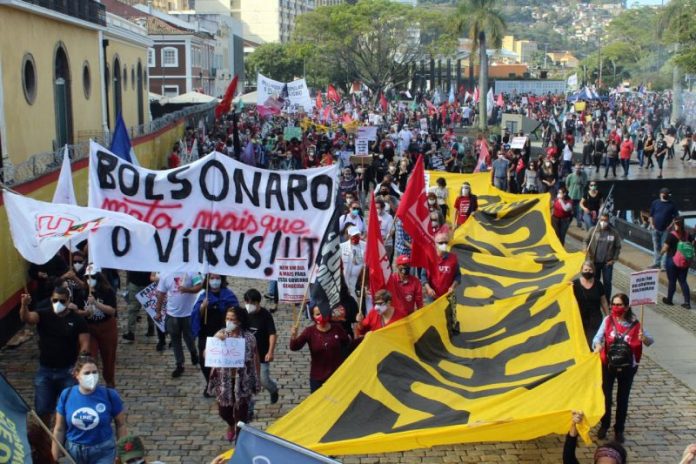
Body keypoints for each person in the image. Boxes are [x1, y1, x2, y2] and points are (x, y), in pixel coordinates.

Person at [20, 286, 90, 425]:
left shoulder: (77, 320)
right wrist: (24, 306)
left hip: (68, 369)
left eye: (62, 301)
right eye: (55, 300)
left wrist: (80, 363)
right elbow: (27, 318)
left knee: (69, 408)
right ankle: (45, 439)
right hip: (45, 370)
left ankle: (63, 434)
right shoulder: (43, 314)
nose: (58, 303)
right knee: (42, 408)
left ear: (69, 300)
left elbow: (85, 344)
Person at [592, 293, 653, 443]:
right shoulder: (607, 320)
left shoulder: (635, 323)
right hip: (608, 365)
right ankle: (604, 425)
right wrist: (598, 345)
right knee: (606, 396)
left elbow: (650, 341)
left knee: (622, 399)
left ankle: (619, 429)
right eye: (613, 304)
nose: (615, 307)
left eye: (619, 305)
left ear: (626, 307)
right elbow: (597, 338)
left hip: (627, 367)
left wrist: (643, 338)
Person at [53, 356, 127, 464]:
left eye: (94, 372)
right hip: (73, 452)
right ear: (77, 375)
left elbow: (121, 424)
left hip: (103, 451)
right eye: (87, 373)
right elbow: (59, 428)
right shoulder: (67, 395)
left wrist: (122, 452)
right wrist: (54, 456)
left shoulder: (110, 395)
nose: (92, 376)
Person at [207, 306, 260, 442]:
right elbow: (207, 354)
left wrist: (257, 379)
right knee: (224, 411)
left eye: (233, 319)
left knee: (241, 414)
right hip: (224, 381)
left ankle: (239, 438)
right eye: (227, 319)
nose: (229, 322)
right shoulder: (220, 334)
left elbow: (255, 358)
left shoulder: (249, 338)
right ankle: (231, 424)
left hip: (243, 382)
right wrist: (216, 341)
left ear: (240, 321)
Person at [191, 274, 239, 396]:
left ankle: (222, 384)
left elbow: (236, 314)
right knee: (204, 360)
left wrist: (229, 330)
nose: (215, 281)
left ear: (221, 280)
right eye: (212, 278)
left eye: (217, 278)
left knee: (222, 360)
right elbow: (196, 315)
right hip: (206, 332)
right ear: (208, 280)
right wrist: (202, 307)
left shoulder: (228, 295)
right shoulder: (203, 296)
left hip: (223, 332)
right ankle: (209, 382)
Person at [290, 305, 350, 393]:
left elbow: (348, 344)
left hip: (337, 377)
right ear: (313, 316)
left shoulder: (337, 328)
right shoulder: (309, 332)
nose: (321, 316)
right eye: (318, 314)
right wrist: (293, 336)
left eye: (323, 312)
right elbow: (294, 347)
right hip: (318, 378)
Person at [154, 272, 203, 378]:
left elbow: (199, 286)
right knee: (175, 340)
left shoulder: (192, 271)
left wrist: (187, 290)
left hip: (189, 313)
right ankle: (179, 364)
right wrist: (158, 312)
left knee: (189, 338)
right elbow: (161, 294)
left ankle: (193, 352)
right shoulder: (165, 273)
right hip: (172, 314)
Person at [80, 265, 118, 388]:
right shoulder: (82, 292)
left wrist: (96, 303)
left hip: (106, 327)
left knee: (108, 357)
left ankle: (110, 381)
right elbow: (77, 311)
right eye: (87, 277)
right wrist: (85, 312)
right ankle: (91, 383)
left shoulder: (107, 291)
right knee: (90, 356)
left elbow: (112, 311)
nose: (90, 279)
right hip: (89, 328)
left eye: (93, 277)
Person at [244, 288, 279, 412]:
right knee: (248, 383)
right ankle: (249, 408)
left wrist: (270, 351)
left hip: (262, 355)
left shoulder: (265, 315)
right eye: (247, 302)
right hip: (246, 355)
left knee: (263, 380)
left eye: (253, 303)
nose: (250, 305)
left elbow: (272, 334)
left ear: (258, 302)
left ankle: (273, 389)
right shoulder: (243, 314)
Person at [585, 212, 622, 301]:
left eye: (605, 220)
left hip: (607, 263)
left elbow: (618, 247)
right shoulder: (593, 230)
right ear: (599, 220)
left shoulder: (614, 232)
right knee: (595, 281)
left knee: (607, 283)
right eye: (601, 220)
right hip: (594, 262)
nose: (603, 222)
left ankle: (607, 300)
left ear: (608, 221)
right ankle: (595, 299)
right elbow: (585, 241)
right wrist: (585, 250)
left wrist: (613, 260)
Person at [572, 261, 608, 348]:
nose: (588, 272)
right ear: (581, 270)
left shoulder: (598, 284)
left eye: (590, 270)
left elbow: (603, 301)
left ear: (594, 271)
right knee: (580, 343)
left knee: (592, 342)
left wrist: (608, 315)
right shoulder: (574, 284)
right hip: (579, 318)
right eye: (586, 269)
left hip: (595, 319)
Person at [659, 217, 693, 309]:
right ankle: (687, 302)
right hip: (684, 263)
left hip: (672, 261)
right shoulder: (687, 235)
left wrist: (660, 253)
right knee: (683, 281)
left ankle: (669, 300)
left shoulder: (672, 235)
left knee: (672, 281)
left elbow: (665, 248)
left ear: (676, 224)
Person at [423, 231, 461, 300]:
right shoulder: (429, 257)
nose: (444, 245)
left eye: (446, 242)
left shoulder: (453, 258)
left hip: (447, 297)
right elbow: (423, 275)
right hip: (432, 297)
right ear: (435, 243)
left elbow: (458, 276)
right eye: (441, 243)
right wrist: (428, 288)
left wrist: (452, 287)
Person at [649, 187, 679, 269]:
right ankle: (656, 263)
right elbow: (651, 215)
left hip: (666, 230)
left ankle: (663, 265)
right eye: (665, 194)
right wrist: (652, 225)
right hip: (655, 229)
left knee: (665, 247)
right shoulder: (655, 203)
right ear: (661, 194)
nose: (666, 195)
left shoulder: (672, 204)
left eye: (667, 194)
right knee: (656, 247)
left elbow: (676, 217)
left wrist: (670, 226)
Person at [122, 270, 154, 342]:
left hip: (142, 282)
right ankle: (132, 332)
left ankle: (132, 332)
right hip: (139, 282)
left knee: (135, 309)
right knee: (135, 308)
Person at [340, 226, 366, 303]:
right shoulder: (342, 246)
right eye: (354, 236)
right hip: (347, 279)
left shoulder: (365, 245)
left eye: (357, 236)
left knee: (359, 300)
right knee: (350, 299)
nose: (356, 238)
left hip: (359, 279)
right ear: (349, 236)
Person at [565, 163, 588, 228]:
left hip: (580, 196)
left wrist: (581, 185)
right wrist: (570, 190)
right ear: (574, 168)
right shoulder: (570, 176)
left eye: (579, 168)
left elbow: (585, 183)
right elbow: (567, 184)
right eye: (576, 168)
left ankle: (579, 223)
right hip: (572, 196)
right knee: (570, 210)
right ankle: (568, 222)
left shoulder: (584, 175)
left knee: (580, 210)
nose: (578, 169)